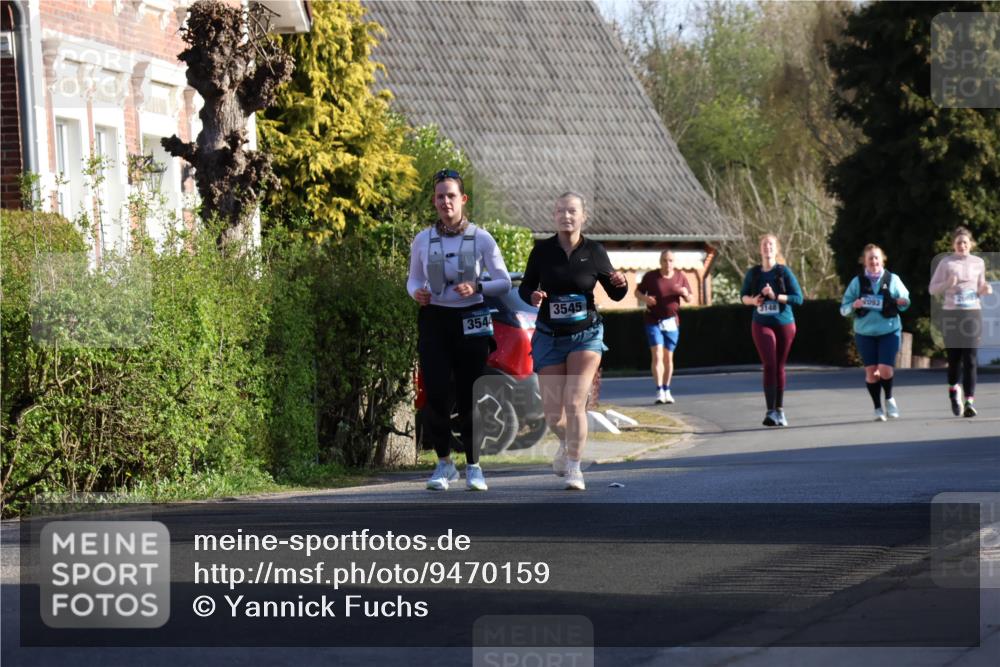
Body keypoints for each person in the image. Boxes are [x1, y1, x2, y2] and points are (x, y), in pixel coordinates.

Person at [407, 169, 511, 491]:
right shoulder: (423, 239)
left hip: (472, 319)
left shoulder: (481, 238)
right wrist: (417, 293)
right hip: (436, 319)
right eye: (440, 196)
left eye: (451, 196)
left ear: (462, 199)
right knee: (436, 393)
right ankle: (443, 464)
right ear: (434, 201)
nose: (445, 202)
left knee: (469, 396)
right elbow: (413, 279)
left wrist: (477, 285)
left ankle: (474, 466)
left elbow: (504, 282)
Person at [519, 192, 628, 490]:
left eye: (572, 211)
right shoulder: (542, 251)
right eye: (560, 211)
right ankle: (566, 442)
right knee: (554, 415)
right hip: (549, 337)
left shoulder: (594, 251)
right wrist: (532, 295)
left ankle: (575, 467)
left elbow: (615, 290)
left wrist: (622, 284)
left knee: (575, 402)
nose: (566, 216)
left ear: (583, 217)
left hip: (586, 335)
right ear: (554, 216)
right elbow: (526, 286)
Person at [839, 244, 911, 421]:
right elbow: (843, 309)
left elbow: (906, 301)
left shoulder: (892, 279)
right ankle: (877, 407)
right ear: (864, 261)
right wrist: (853, 305)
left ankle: (888, 398)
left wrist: (902, 302)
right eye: (870, 258)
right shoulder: (857, 282)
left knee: (885, 369)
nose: (873, 261)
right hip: (865, 333)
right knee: (871, 372)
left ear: (882, 260)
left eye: (876, 258)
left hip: (889, 330)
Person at [739, 234, 804, 427]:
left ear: (776, 250)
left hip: (784, 323)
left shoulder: (783, 272)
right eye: (764, 245)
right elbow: (742, 296)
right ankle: (770, 412)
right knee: (769, 363)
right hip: (761, 323)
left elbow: (798, 298)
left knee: (779, 365)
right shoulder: (754, 273)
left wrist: (776, 296)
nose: (767, 247)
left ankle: (780, 410)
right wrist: (754, 300)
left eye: (771, 245)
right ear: (760, 250)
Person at [928, 227, 993, 417]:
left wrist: (985, 289)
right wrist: (948, 283)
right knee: (954, 359)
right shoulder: (946, 263)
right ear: (953, 245)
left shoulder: (978, 263)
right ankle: (954, 391)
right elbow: (933, 289)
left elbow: (980, 285)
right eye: (959, 243)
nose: (962, 245)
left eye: (965, 242)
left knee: (971, 359)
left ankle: (969, 402)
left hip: (972, 313)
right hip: (952, 314)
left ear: (970, 244)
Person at [636, 250, 691, 404]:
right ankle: (659, 390)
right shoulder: (651, 277)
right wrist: (645, 298)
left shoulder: (680, 277)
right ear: (660, 261)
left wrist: (685, 293)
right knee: (658, 354)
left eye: (671, 260)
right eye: (665, 260)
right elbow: (637, 292)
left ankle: (667, 389)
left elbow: (690, 297)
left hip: (672, 321)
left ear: (674, 262)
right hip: (653, 320)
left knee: (668, 357)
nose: (668, 264)